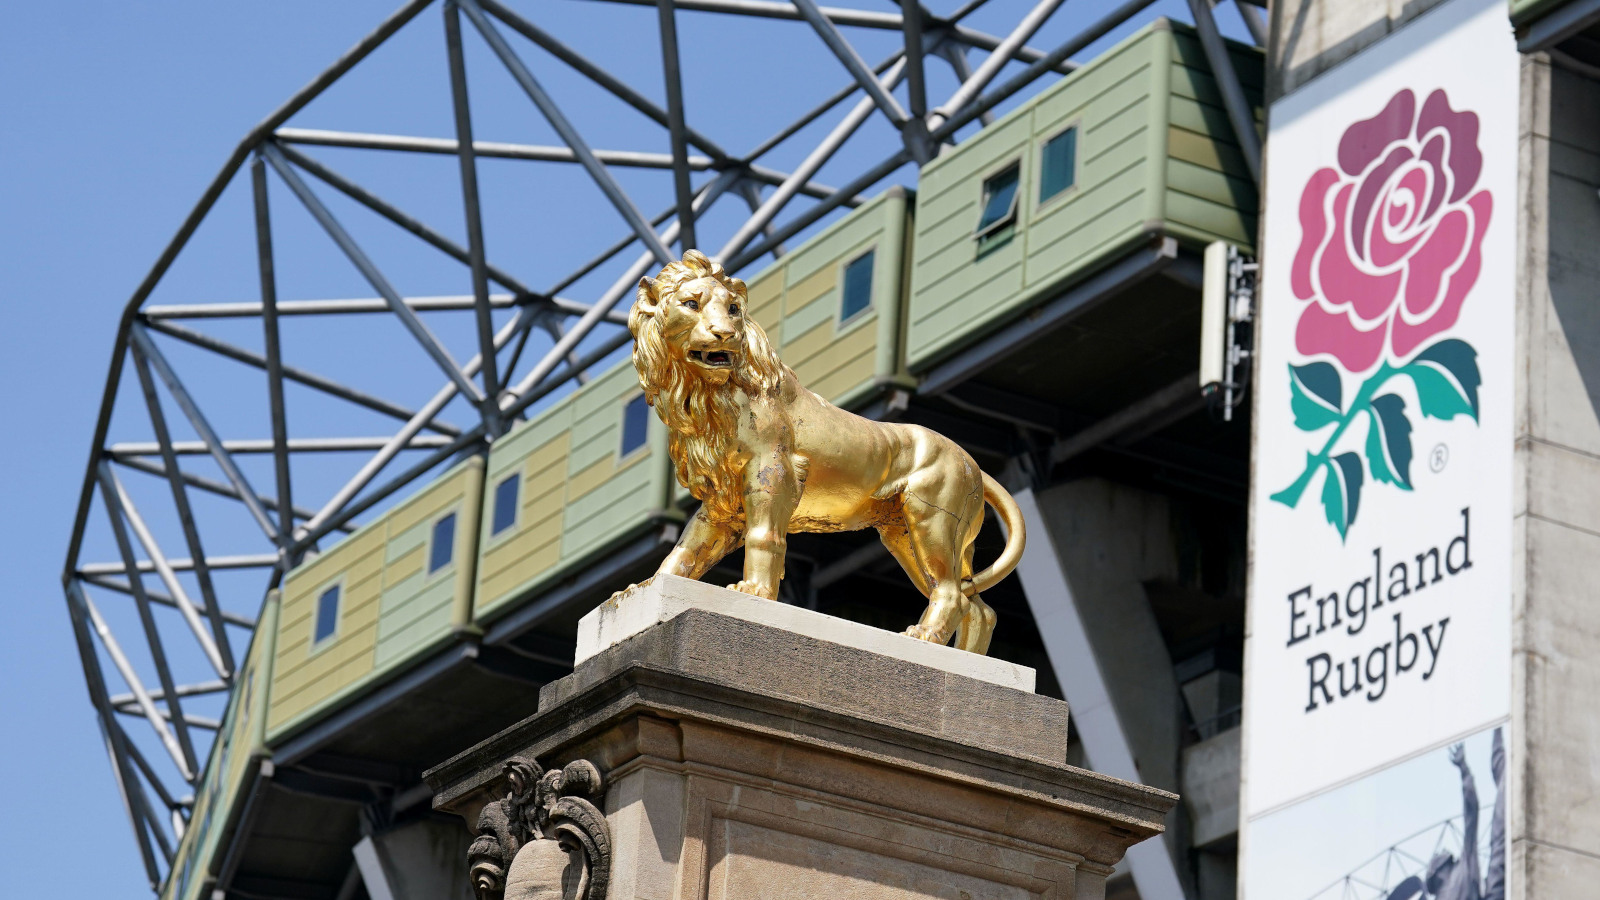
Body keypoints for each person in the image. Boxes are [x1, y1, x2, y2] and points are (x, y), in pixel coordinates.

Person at [1425, 743, 1480, 900]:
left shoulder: (1463, 868)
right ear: (1438, 870)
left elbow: (1471, 813)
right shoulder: (1463, 867)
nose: (1444, 851)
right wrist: (1464, 770)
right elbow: (1471, 815)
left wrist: (1464, 771)